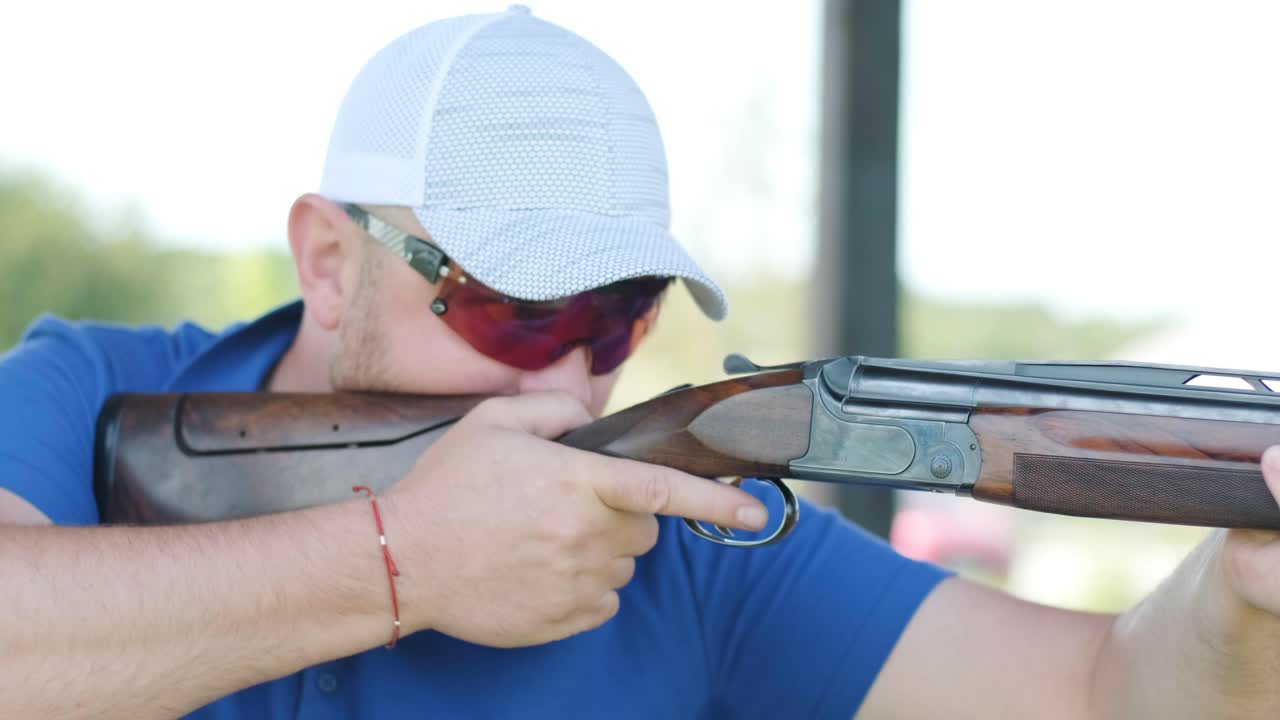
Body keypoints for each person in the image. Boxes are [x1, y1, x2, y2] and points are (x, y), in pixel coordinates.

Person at [3, 6, 1280, 719]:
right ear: (330, 263)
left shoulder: (674, 530)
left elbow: (1107, 693)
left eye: (615, 318)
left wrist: (1237, 596)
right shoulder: (82, 394)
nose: (569, 389)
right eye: (509, 311)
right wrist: (405, 562)